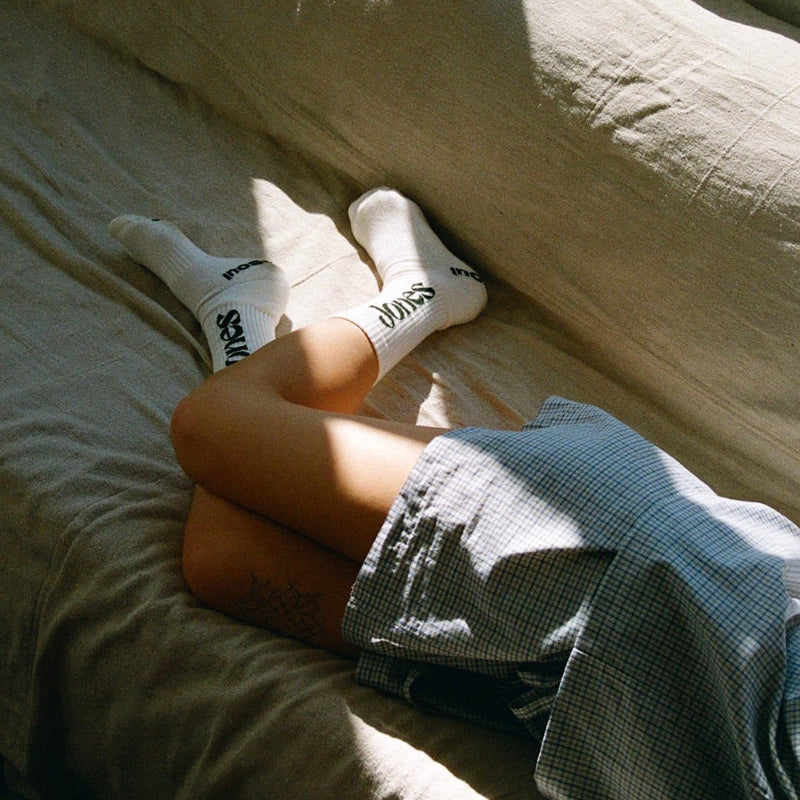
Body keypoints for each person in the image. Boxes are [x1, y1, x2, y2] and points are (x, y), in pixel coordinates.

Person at [110, 188, 800, 799]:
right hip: (625, 571)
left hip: (585, 716)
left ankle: (250, 314)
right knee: (212, 430)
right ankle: (420, 294)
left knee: (221, 559)